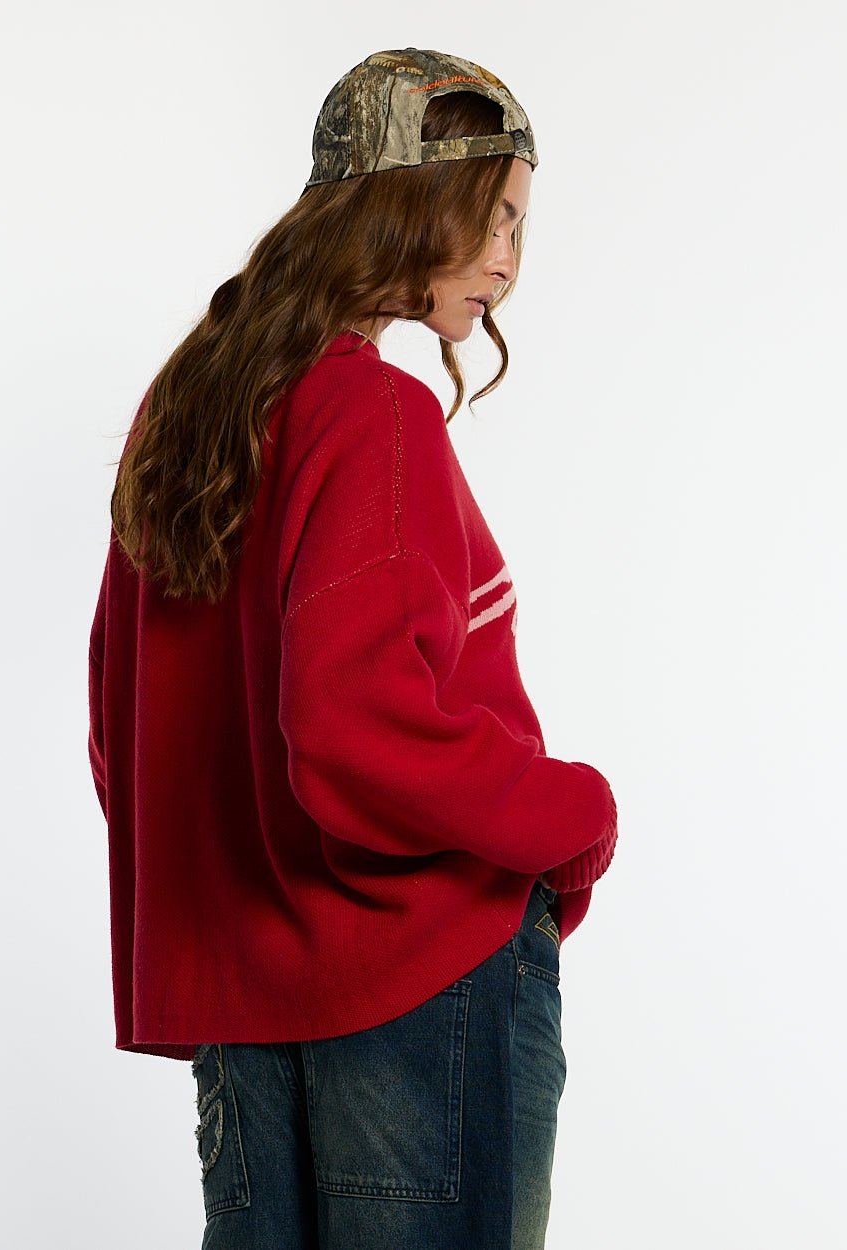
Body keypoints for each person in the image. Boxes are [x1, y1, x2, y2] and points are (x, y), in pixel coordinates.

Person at [87, 46, 618, 1250]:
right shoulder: (372, 410)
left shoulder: (188, 418)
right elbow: (351, 729)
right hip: (417, 981)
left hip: (245, 999)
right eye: (492, 216)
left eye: (518, 226)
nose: (507, 260)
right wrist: (575, 813)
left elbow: (122, 731)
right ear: (406, 205)